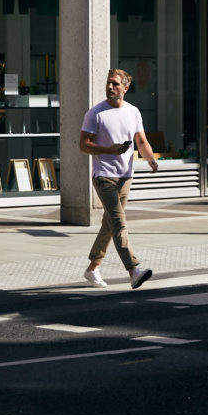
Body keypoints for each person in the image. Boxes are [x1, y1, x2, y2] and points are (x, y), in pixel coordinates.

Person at [80, 68, 159, 290]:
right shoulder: (95, 113)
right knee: (119, 223)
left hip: (126, 176)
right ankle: (133, 270)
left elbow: (141, 141)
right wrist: (108, 150)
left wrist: (150, 159)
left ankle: (92, 268)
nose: (110, 87)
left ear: (126, 88)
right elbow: (83, 144)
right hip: (104, 175)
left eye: (115, 84)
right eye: (108, 83)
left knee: (109, 224)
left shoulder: (133, 112)